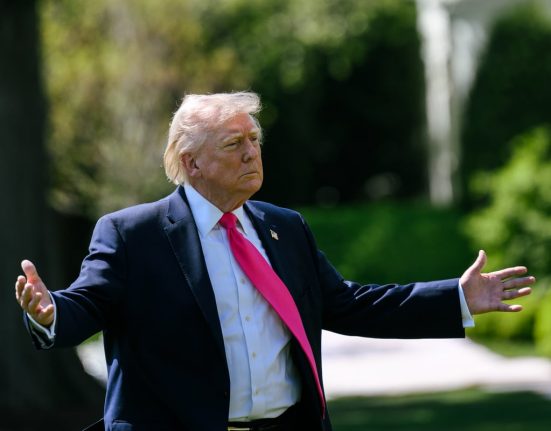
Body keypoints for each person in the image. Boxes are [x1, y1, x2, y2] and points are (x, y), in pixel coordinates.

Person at [15, 91, 535, 431]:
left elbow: (349, 304)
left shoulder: (284, 227)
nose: (251, 153)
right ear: (192, 162)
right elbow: (89, 303)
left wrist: (455, 298)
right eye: (233, 144)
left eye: (254, 140)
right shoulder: (133, 234)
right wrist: (50, 312)